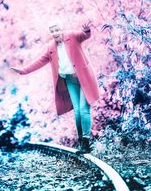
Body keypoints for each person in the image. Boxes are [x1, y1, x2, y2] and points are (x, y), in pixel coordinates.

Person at [10, 20, 100, 152]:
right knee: (77, 113)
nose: (55, 33)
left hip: (84, 78)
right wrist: (23, 71)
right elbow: (40, 61)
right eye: (52, 31)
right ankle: (81, 141)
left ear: (61, 29)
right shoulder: (51, 47)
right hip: (70, 81)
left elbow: (84, 36)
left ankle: (86, 141)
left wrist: (87, 31)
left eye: (57, 30)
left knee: (83, 109)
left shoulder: (72, 36)